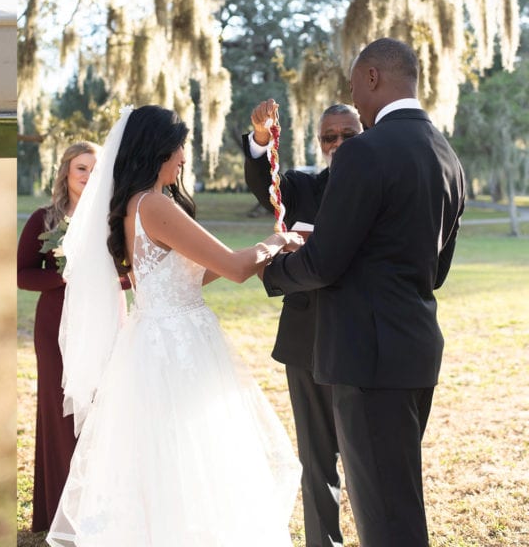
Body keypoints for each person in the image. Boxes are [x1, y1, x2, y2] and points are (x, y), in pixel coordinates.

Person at [47, 105, 304, 547]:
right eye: (180, 147)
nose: (184, 157)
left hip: (153, 340)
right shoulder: (155, 206)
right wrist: (278, 241)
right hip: (177, 345)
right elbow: (236, 269)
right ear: (158, 151)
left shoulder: (133, 205)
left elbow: (198, 271)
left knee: (166, 461)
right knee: (194, 462)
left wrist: (254, 251)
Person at [261, 38, 466, 546]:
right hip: (416, 351)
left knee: (386, 520)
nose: (353, 94)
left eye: (355, 84)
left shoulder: (363, 152)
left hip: (366, 360)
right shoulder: (447, 157)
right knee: (397, 499)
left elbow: (326, 262)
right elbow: (434, 271)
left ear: (372, 77)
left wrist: (273, 268)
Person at [242, 99, 362, 547]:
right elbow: (264, 184)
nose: (337, 144)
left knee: (368, 457)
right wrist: (260, 138)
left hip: (363, 337)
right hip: (306, 338)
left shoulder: (384, 183)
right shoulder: (301, 186)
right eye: (329, 136)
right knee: (317, 457)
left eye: (347, 135)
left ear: (365, 133)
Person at [17, 141, 101, 533]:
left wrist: (101, 279)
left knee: (99, 409)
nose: (87, 176)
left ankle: (97, 506)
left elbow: (126, 271)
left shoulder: (111, 218)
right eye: (81, 168)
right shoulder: (45, 219)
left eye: (94, 169)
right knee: (58, 409)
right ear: (66, 172)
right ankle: (59, 512)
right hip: (55, 323)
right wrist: (62, 276)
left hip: (101, 321)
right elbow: (21, 273)